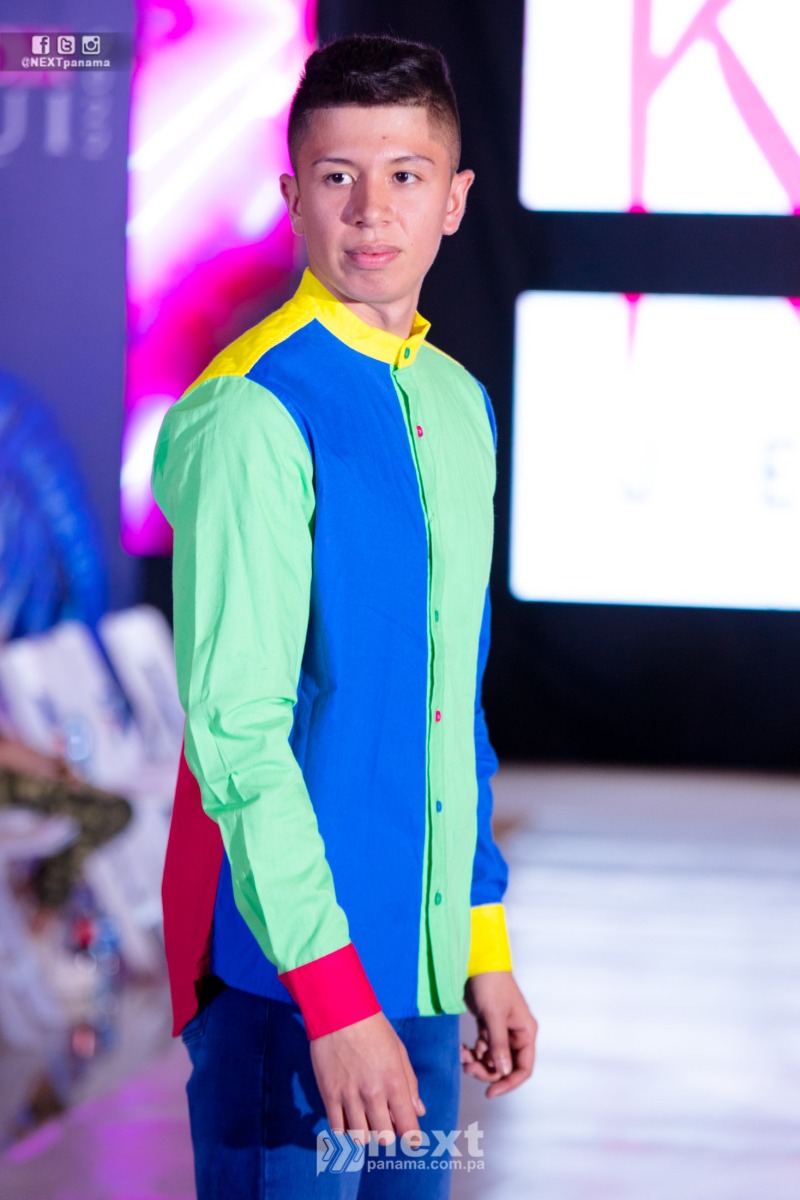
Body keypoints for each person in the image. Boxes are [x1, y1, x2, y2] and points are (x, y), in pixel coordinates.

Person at [151, 33, 538, 1198]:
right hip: (284, 981)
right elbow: (235, 732)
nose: (372, 212)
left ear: (453, 200)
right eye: (337, 176)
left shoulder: (456, 406)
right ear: (291, 197)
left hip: (417, 973)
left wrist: (479, 943)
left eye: (405, 175)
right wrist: (330, 997)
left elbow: (447, 705)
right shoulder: (249, 412)